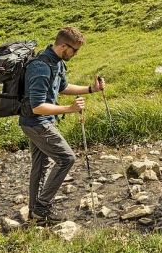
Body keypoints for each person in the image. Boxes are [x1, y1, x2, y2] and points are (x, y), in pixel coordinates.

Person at [20, 27, 105, 223]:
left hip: (41, 122)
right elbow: (38, 107)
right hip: (36, 123)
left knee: (40, 166)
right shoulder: (41, 67)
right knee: (67, 158)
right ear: (63, 46)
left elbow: (63, 87)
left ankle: (36, 214)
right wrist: (69, 109)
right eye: (74, 50)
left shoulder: (57, 62)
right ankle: (42, 208)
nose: (75, 54)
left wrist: (91, 89)